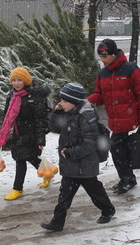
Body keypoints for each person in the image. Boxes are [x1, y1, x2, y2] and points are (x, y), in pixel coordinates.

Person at [41, 82, 115, 232]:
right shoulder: (71, 112)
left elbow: (90, 143)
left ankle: (108, 210)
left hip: (84, 164)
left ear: (73, 102)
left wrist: (70, 152)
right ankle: (57, 222)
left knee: (94, 190)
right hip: (72, 163)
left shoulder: (86, 116)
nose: (60, 103)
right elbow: (54, 127)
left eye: (63, 101)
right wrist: (57, 111)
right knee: (65, 195)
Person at [87, 39, 140, 194]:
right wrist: (85, 102)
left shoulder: (130, 69)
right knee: (121, 150)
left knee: (117, 149)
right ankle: (127, 178)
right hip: (114, 120)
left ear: (114, 54)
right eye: (100, 57)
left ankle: (127, 179)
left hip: (129, 118)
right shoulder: (103, 73)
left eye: (105, 56)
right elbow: (99, 95)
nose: (102, 60)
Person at [0, 67, 50, 200]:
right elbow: (7, 115)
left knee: (21, 159)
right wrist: (4, 132)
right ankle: (47, 173)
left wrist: (40, 139)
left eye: (19, 80)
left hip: (31, 133)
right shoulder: (12, 95)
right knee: (29, 157)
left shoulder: (34, 96)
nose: (16, 83)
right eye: (14, 80)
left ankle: (17, 189)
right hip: (18, 132)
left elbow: (41, 119)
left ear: (25, 81)